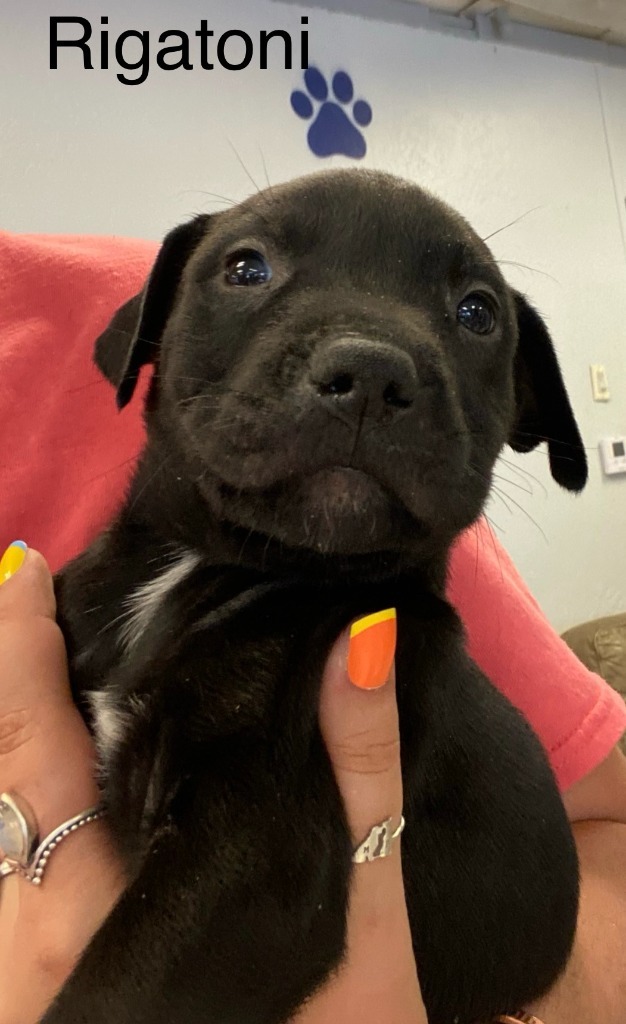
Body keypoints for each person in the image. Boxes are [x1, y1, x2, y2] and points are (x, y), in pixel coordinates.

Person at [1, 231, 626, 1023]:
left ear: (521, 405)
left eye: (473, 314)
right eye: (248, 270)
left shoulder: (350, 656)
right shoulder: (84, 597)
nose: (368, 366)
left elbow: (254, 886)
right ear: (149, 338)